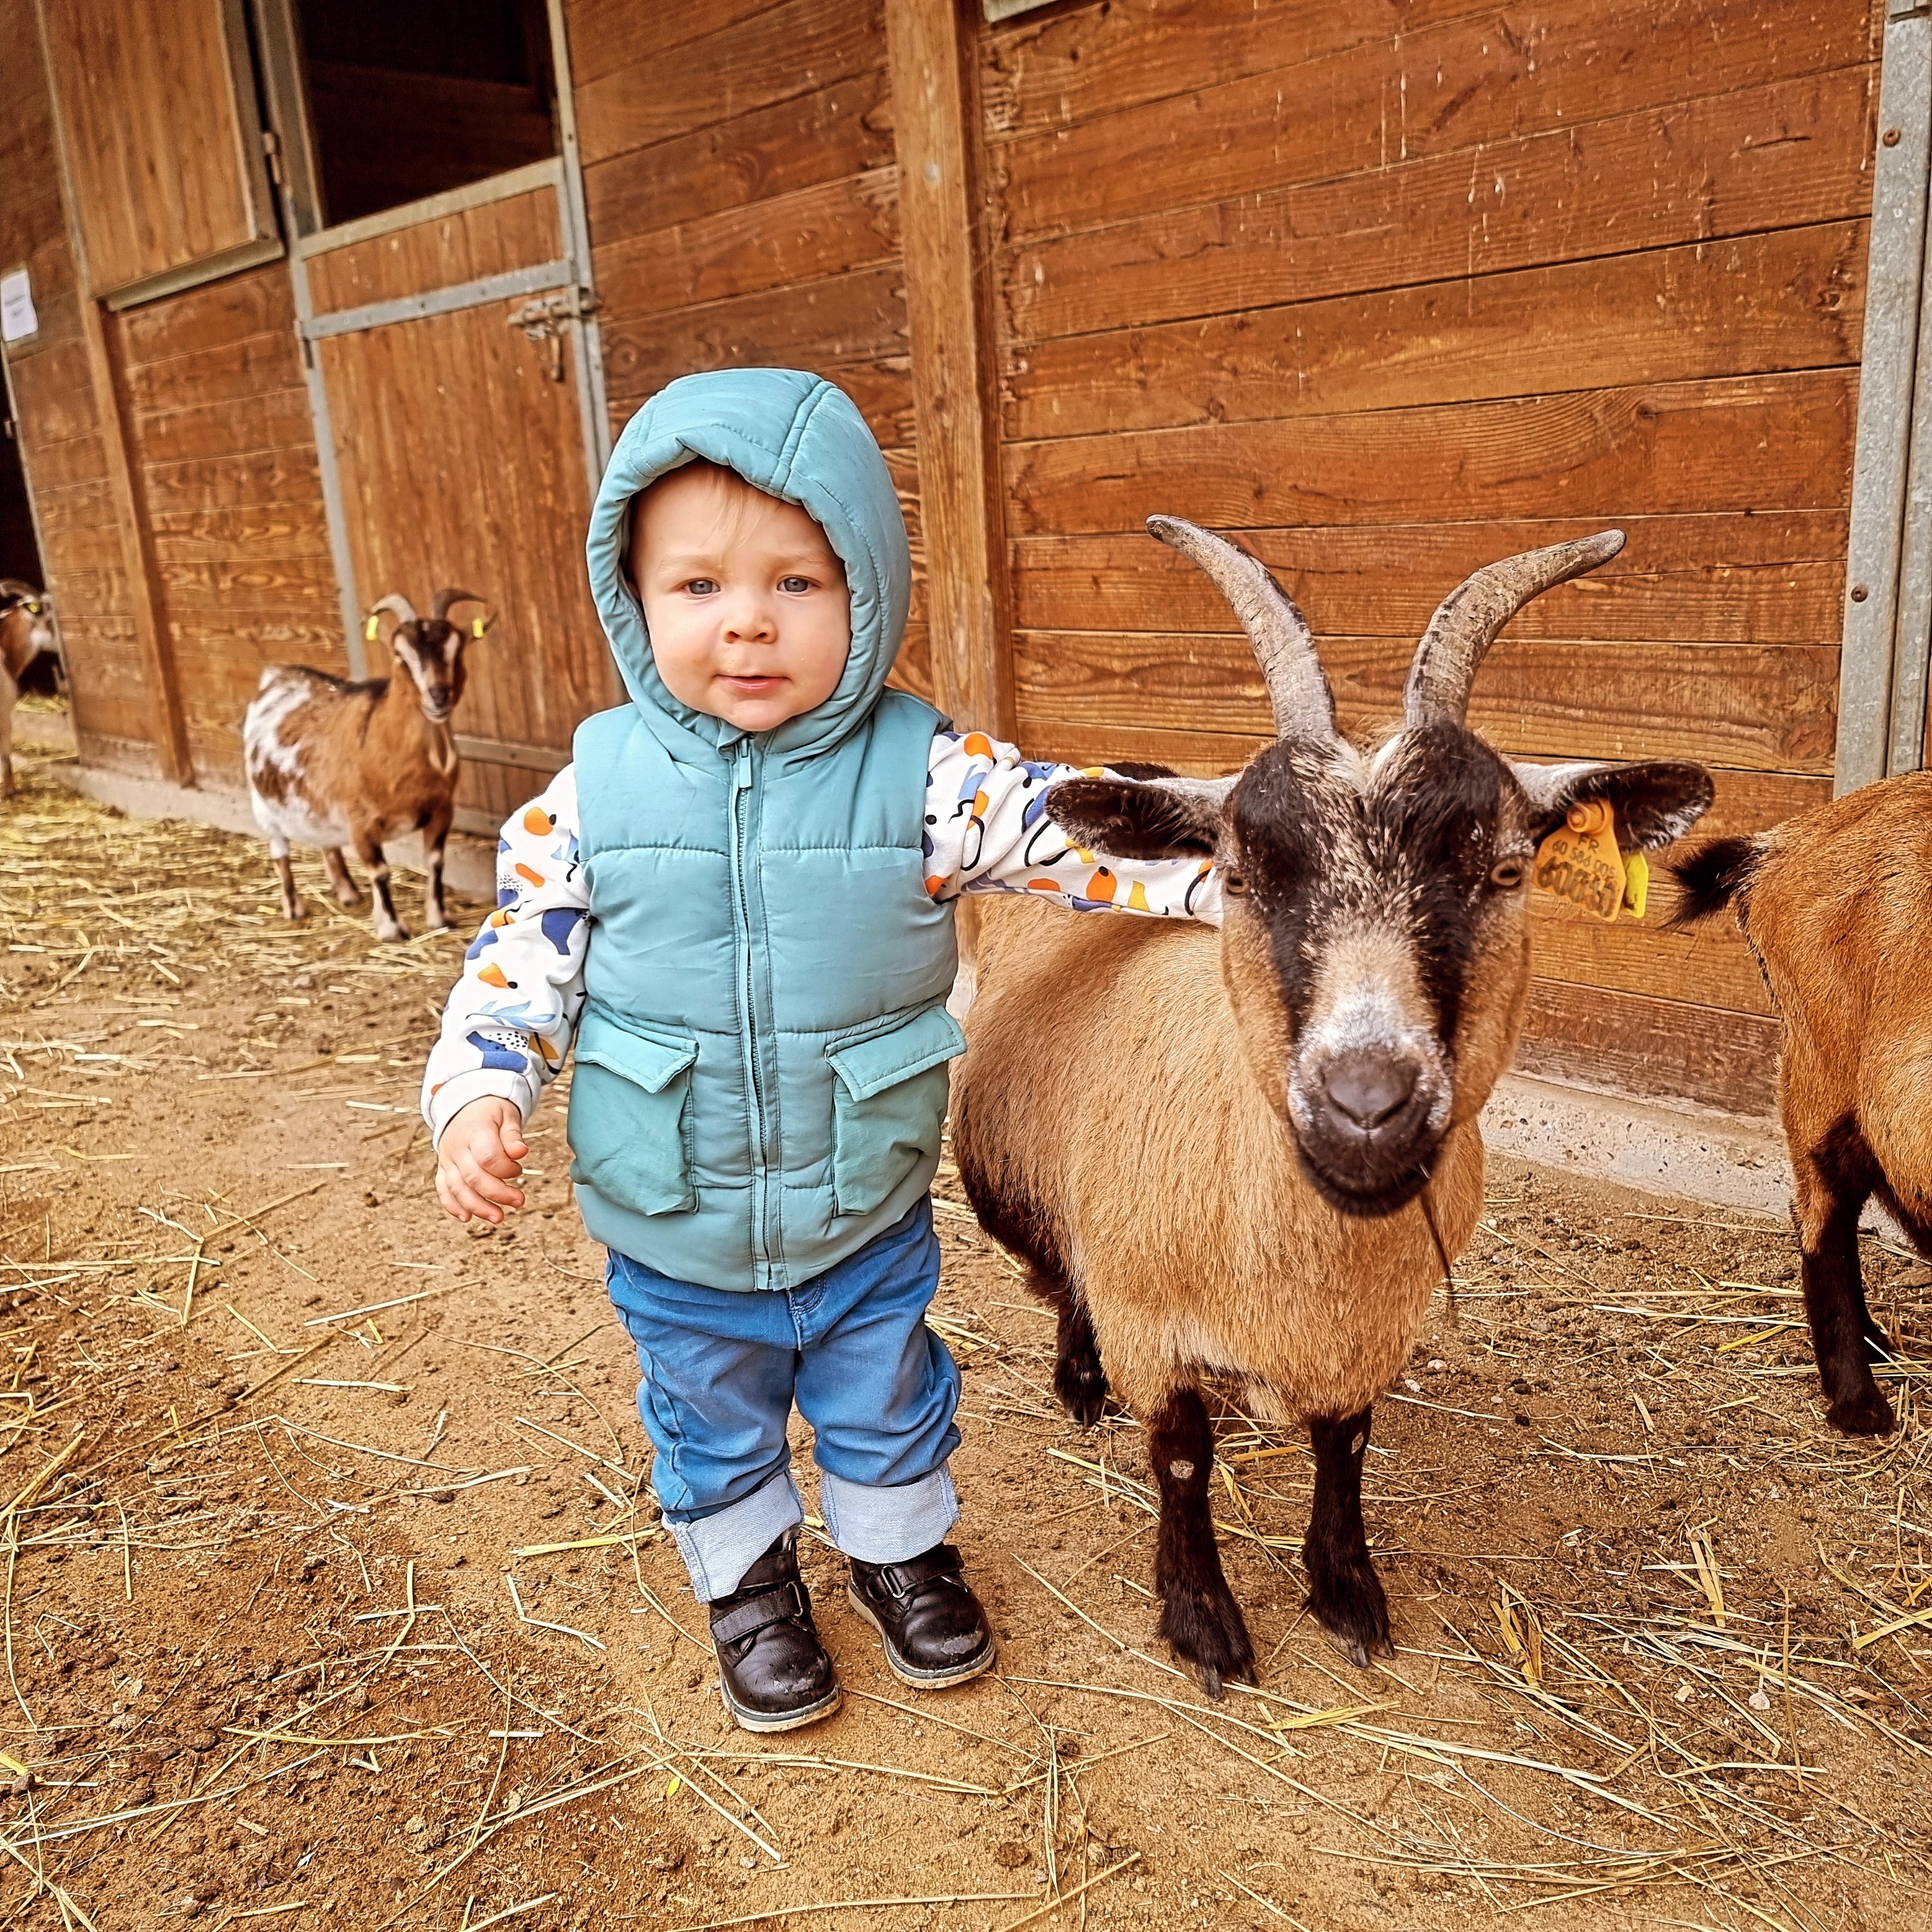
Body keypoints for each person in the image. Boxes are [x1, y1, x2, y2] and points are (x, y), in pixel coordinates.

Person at [422, 368, 1219, 1733]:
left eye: (797, 581)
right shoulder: (591, 793)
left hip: (863, 1199)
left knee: (886, 1390)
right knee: (711, 1418)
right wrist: (478, 1092)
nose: (747, 621)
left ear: (866, 588)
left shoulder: (924, 773)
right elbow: (519, 962)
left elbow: (1071, 833)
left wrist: (1238, 869)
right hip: (672, 1216)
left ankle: (898, 1552)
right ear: (633, 600)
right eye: (698, 589)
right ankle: (747, 1582)